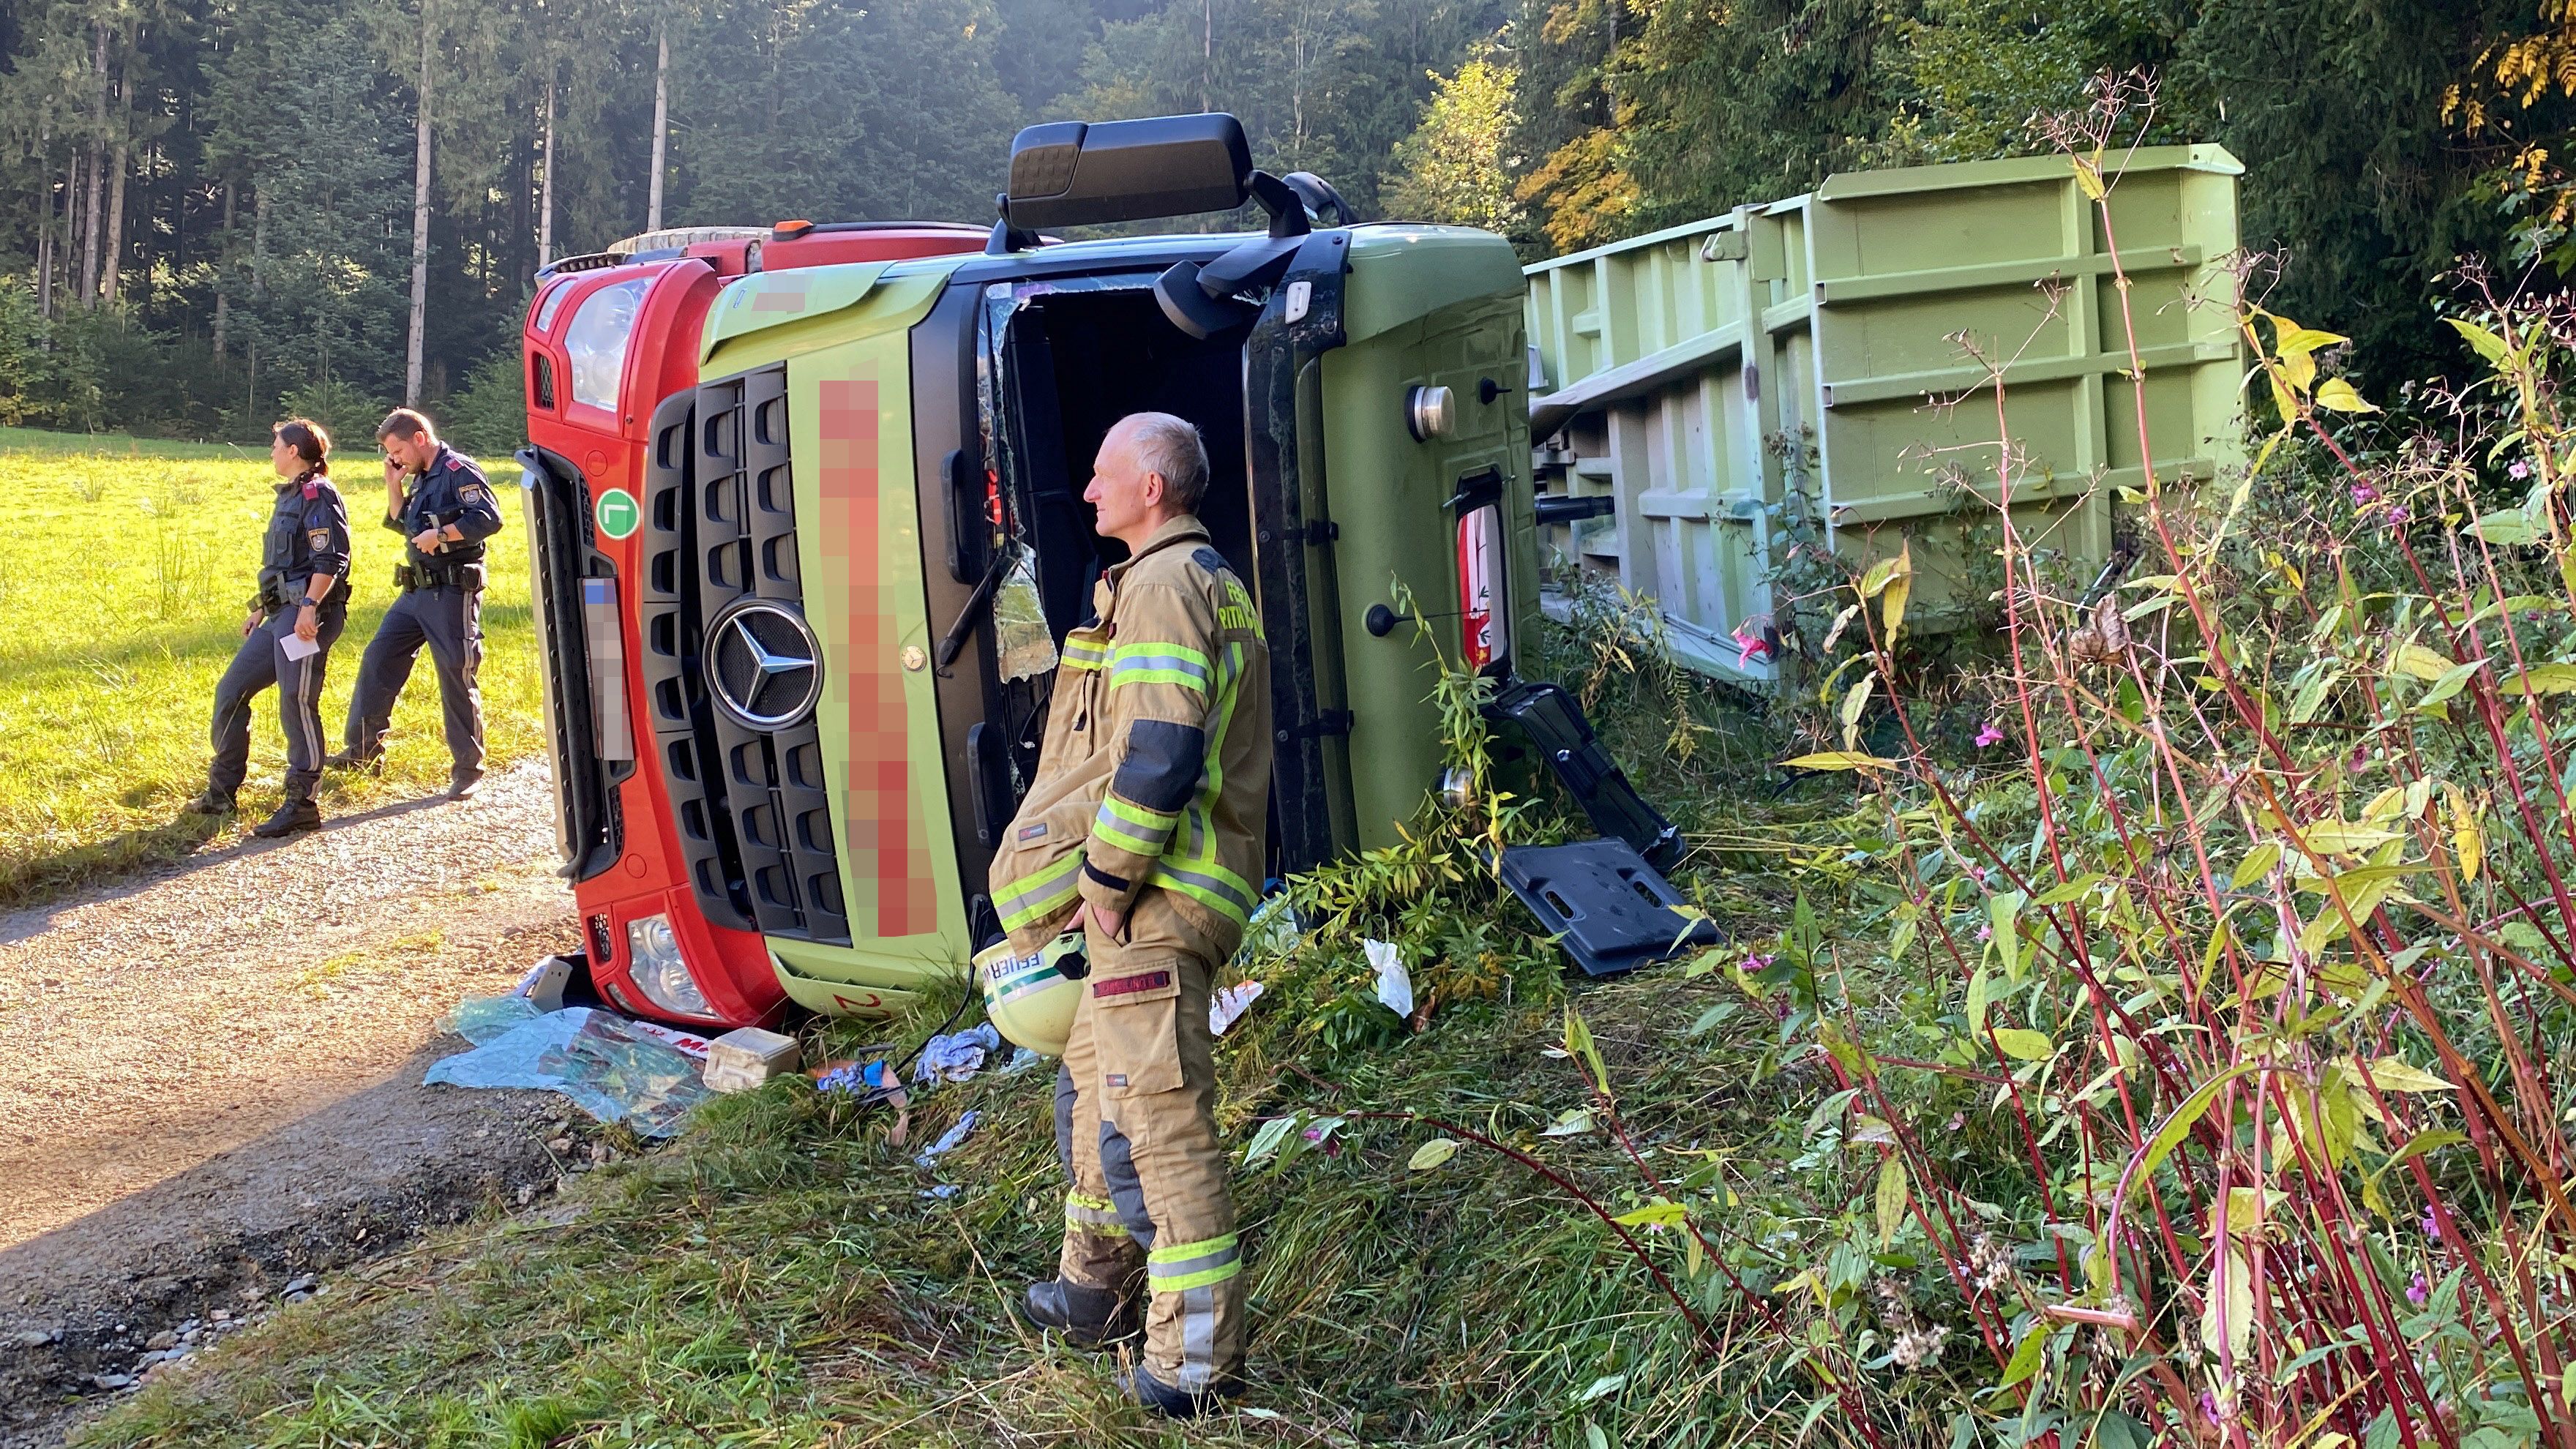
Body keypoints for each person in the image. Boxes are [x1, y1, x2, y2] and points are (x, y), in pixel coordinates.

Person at [989, 412, 1273, 1418]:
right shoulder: (1175, 583)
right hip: (1151, 897)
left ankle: (1194, 1367)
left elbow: (1159, 751)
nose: (1090, 492)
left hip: (1155, 901)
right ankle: (1093, 1291)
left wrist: (1103, 888)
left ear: (1152, 485)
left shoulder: (1163, 584)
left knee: (1154, 1128)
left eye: (1106, 474)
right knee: (1093, 1106)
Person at [183, 419, 353, 838]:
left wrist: (310, 608)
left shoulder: (319, 494)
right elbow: (285, 564)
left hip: (307, 621)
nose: (271, 451)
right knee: (231, 692)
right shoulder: (292, 493)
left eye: (276, 444)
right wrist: (261, 608)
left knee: (296, 702)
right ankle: (220, 794)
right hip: (281, 617)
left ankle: (302, 802)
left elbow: (331, 559)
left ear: (294, 451)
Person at [326, 408, 502, 800]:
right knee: (378, 658)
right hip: (415, 592)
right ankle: (362, 752)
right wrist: (394, 484)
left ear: (419, 438)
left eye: (398, 450)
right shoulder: (421, 477)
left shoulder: (458, 470)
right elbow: (403, 522)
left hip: (452, 591)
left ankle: (468, 769)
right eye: (391, 454)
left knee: (455, 673)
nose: (396, 458)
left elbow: (489, 518)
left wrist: (442, 535)